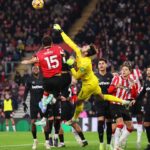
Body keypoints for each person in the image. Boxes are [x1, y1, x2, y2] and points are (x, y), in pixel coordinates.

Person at [53, 24, 130, 125]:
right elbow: (69, 42)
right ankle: (124, 102)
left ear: (86, 52)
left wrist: (71, 67)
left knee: (79, 102)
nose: (84, 46)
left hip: (88, 85)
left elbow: (76, 76)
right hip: (94, 81)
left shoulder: (86, 63)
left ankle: (74, 119)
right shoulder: (79, 51)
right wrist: (61, 31)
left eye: (86, 47)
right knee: (103, 97)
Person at [21, 35, 64, 122]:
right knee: (54, 95)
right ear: (51, 43)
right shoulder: (57, 48)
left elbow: (31, 61)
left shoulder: (40, 54)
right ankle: (51, 102)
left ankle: (45, 108)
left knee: (47, 92)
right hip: (59, 78)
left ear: (43, 44)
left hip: (48, 79)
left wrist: (25, 61)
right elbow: (63, 55)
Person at [108, 62, 138, 150]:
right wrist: (116, 87)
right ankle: (116, 147)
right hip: (114, 104)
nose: (123, 71)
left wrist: (133, 86)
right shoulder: (116, 78)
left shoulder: (131, 81)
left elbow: (133, 95)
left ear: (130, 72)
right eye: (123, 69)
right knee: (120, 124)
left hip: (123, 105)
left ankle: (118, 144)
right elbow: (109, 90)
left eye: (126, 70)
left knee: (130, 127)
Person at [23, 65, 51, 149]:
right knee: (33, 122)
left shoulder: (43, 78)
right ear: (32, 70)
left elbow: (48, 90)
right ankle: (35, 141)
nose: (35, 69)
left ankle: (47, 142)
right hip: (33, 104)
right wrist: (24, 102)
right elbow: (26, 91)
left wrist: (48, 102)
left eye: (37, 68)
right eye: (34, 68)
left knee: (45, 122)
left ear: (39, 70)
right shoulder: (29, 79)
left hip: (43, 103)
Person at [95, 58, 113, 150]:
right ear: (98, 66)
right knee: (100, 121)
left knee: (109, 123)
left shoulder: (111, 76)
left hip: (109, 102)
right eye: (99, 64)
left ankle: (109, 144)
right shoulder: (94, 76)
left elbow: (114, 89)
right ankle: (101, 143)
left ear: (106, 65)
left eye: (103, 63)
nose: (101, 65)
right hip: (99, 102)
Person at [139, 66, 150, 150]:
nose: (148, 72)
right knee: (146, 124)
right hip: (148, 106)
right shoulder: (146, 82)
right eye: (148, 71)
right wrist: (135, 100)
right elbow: (142, 93)